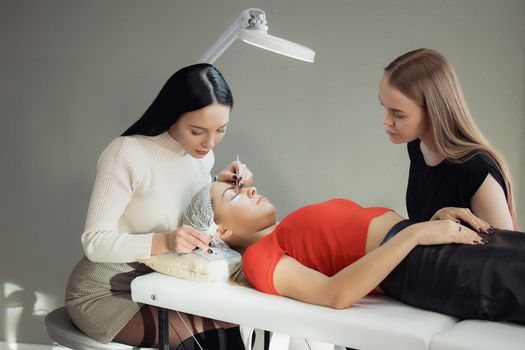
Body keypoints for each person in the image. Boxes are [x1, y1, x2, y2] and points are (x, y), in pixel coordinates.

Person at [65, 64, 252, 350]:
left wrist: (218, 184)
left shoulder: (202, 157)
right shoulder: (127, 153)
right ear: (172, 116)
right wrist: (164, 241)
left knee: (233, 321)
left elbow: (170, 199)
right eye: (197, 131)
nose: (209, 142)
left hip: (162, 284)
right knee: (208, 339)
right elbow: (94, 242)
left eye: (220, 130)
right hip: (107, 291)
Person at [183, 181, 525, 325]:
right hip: (420, 262)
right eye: (235, 194)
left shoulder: (284, 230)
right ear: (222, 231)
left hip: (425, 243)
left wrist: (429, 223)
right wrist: (418, 234)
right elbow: (335, 295)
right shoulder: (259, 257)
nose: (251, 188)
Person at [379, 48, 518, 230]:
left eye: (398, 114)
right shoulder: (417, 147)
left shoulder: (477, 172)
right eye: (384, 106)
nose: (386, 121)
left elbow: (505, 256)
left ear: (433, 111)